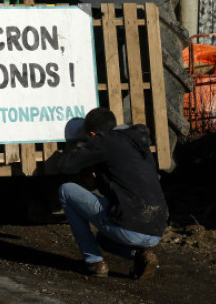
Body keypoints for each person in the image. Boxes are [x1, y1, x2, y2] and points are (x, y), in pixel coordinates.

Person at [52, 107, 167, 279]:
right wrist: (98, 179)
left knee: (66, 190)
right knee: (103, 239)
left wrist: (59, 154)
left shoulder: (104, 140)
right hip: (157, 229)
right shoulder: (136, 142)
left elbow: (66, 165)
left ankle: (94, 262)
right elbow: (121, 184)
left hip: (130, 228)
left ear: (92, 135)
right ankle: (142, 254)